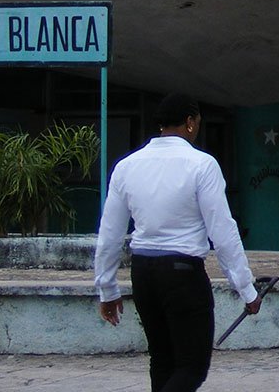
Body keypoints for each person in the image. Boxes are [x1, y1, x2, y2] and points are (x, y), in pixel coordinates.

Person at [93, 93, 261, 392]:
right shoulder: (202, 165)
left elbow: (110, 234)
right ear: (189, 123)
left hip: (143, 273)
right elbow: (222, 232)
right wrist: (247, 289)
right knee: (192, 368)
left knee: (162, 360)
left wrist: (107, 288)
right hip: (183, 274)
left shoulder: (127, 166)